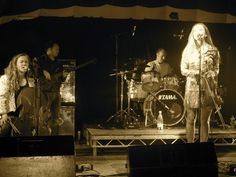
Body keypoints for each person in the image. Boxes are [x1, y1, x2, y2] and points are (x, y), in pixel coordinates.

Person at [180, 23, 220, 143]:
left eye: (201, 30)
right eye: (195, 30)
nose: (198, 32)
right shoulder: (187, 51)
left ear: (205, 34)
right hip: (192, 88)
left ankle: (203, 148)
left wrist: (212, 73)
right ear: (192, 34)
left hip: (207, 88)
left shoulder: (213, 50)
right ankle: (190, 146)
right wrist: (193, 73)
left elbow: (216, 69)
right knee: (190, 118)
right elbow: (183, 70)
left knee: (204, 121)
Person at [0, 53, 35, 136]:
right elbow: (1, 97)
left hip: (24, 117)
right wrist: (4, 114)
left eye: (26, 62)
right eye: (21, 62)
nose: (24, 64)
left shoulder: (31, 81)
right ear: (15, 64)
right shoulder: (6, 79)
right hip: (9, 115)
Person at [37, 41, 65, 135]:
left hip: (56, 92)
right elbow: (33, 67)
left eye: (58, 49)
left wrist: (64, 76)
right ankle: (43, 137)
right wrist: (43, 71)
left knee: (55, 117)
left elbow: (61, 79)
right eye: (56, 49)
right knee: (43, 116)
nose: (58, 51)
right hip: (44, 92)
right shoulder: (41, 60)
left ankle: (54, 139)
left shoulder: (59, 63)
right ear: (49, 49)